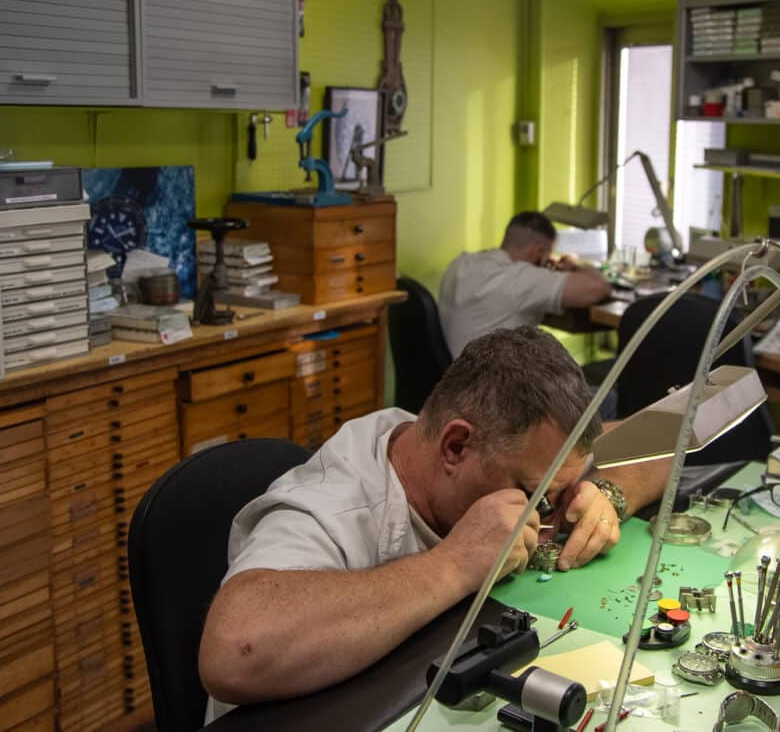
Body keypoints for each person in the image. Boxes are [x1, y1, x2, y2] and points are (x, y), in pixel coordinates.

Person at [199, 327, 669, 717]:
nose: (544, 513)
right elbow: (233, 651)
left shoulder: (485, 442)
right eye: (530, 494)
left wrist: (605, 495)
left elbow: (668, 442)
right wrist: (454, 564)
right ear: (455, 446)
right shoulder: (334, 507)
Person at [438, 211, 612, 357]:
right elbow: (599, 287)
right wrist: (576, 263)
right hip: (500, 391)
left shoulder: (460, 264)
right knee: (610, 394)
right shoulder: (519, 279)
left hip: (457, 384)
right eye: (545, 258)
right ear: (536, 250)